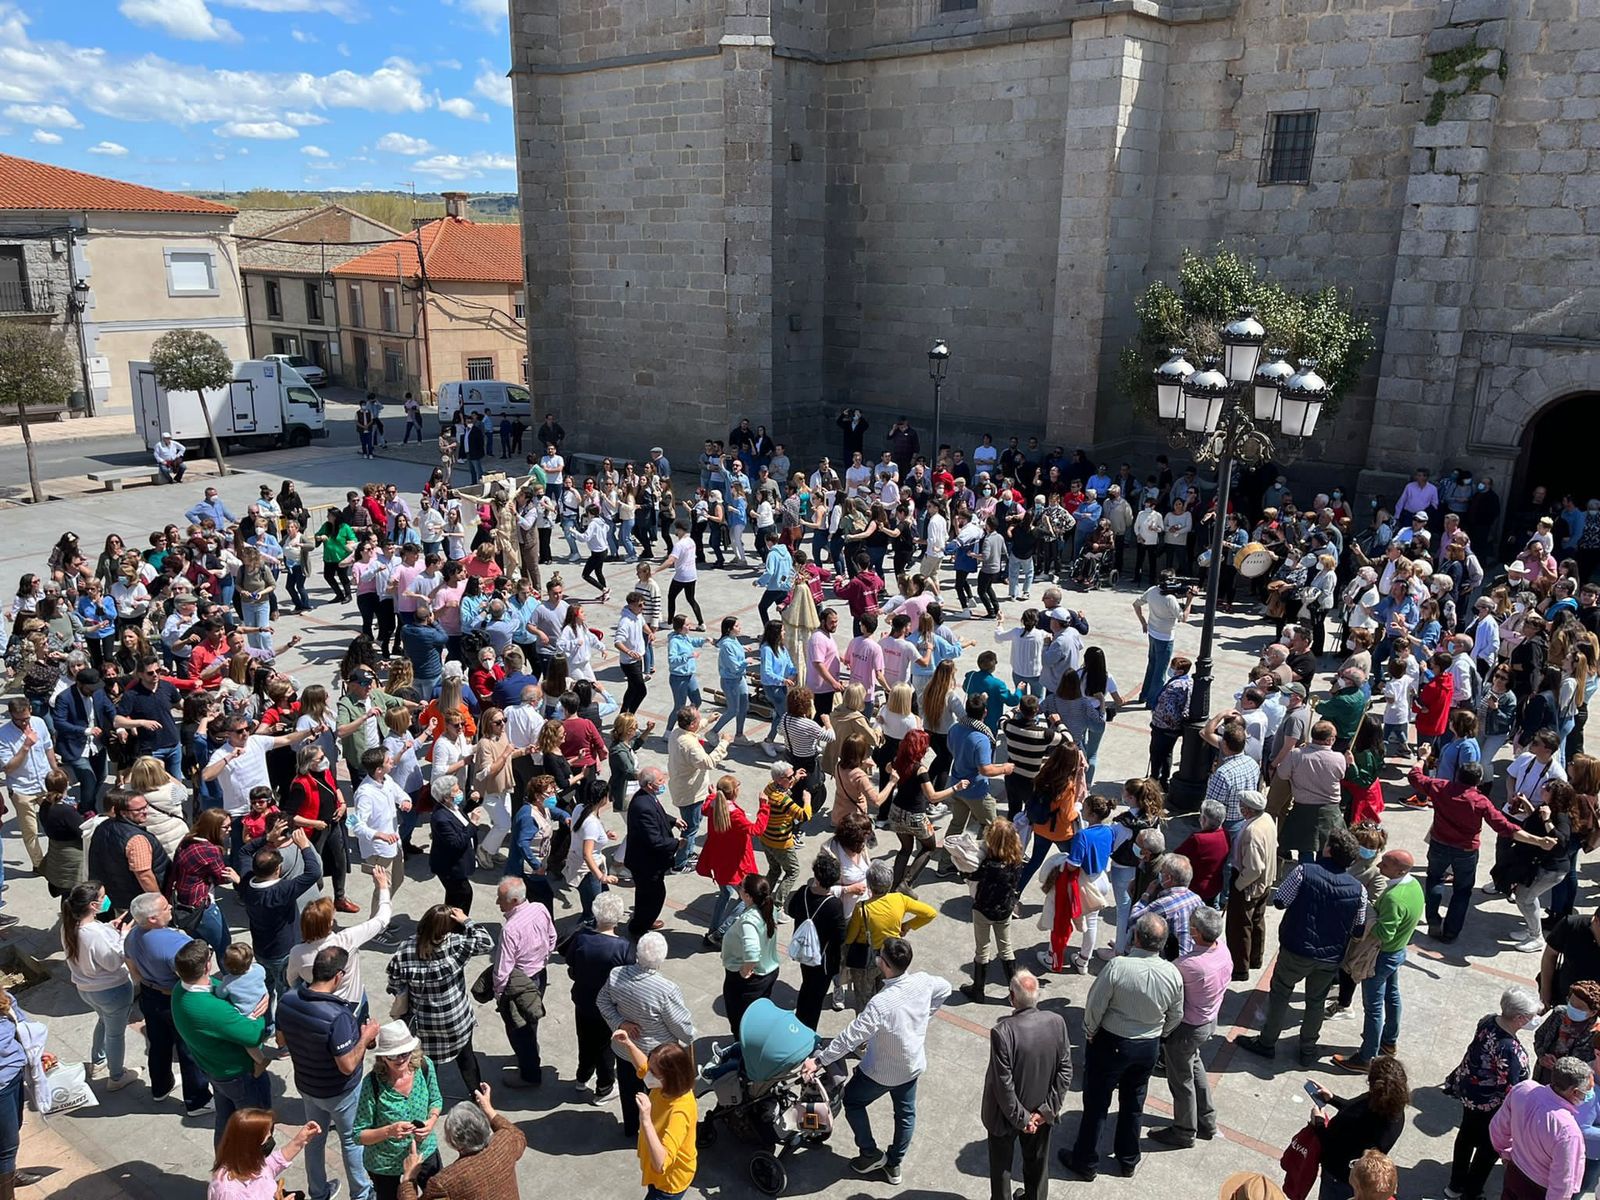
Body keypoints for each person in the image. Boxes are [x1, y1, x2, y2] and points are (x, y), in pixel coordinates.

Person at [803, 936, 950, 1187]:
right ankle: (894, 1164)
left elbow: (850, 1038)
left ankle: (870, 1153)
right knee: (905, 1114)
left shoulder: (880, 1004)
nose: (877, 958)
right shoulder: (923, 981)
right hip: (911, 1066)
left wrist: (819, 1060)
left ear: (886, 965)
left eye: (880, 955)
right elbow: (945, 987)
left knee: (853, 1100)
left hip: (880, 1071)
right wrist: (925, 1015)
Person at [1058, 912, 1184, 1181]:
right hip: (1147, 1046)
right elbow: (1176, 1014)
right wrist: (1159, 1035)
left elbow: (1095, 1005)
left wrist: (1090, 1033)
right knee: (1133, 1103)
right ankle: (1128, 1160)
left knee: (1097, 1103)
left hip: (1112, 1044)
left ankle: (1086, 1161)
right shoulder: (1172, 973)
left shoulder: (1118, 967)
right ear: (1162, 943)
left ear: (1136, 937)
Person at [1237, 827, 1367, 1067]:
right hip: (1330, 958)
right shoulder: (1359, 890)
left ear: (1328, 850)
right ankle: (1307, 1049)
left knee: (1280, 994)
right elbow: (1358, 928)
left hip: (1296, 949)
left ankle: (1267, 1043)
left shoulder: (1304, 872)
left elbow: (1280, 901)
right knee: (1316, 1001)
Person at [276, 945, 383, 1200]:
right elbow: (347, 1065)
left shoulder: (287, 1000)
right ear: (338, 976)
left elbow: (281, 1040)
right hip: (340, 1092)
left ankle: (318, 1192)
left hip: (307, 1086)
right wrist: (365, 1037)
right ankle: (361, 1193)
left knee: (313, 1137)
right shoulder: (338, 1015)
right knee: (352, 1141)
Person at [1413, 759, 1555, 943]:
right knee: (1462, 891)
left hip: (1439, 844)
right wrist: (1538, 841)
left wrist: (1422, 758)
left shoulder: (1440, 786)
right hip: (1466, 851)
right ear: (1478, 781)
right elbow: (1505, 827)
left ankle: (1432, 918)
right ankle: (1450, 932)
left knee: (1434, 880)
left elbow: (1414, 776)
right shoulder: (1480, 802)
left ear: (1458, 775)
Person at [385, 904, 495, 1094]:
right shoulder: (457, 944)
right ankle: (478, 1098)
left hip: (425, 1022)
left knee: (427, 1064)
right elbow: (487, 942)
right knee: (466, 1057)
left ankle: (427, 1104)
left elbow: (395, 985)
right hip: (457, 1018)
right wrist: (467, 920)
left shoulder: (406, 949)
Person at [982, 968, 1071, 1200]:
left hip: (1004, 1116)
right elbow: (1065, 1071)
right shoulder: (1057, 1022)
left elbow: (1004, 1083)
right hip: (1041, 1112)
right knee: (1038, 1165)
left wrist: (1022, 1119)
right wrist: (1044, 1112)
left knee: (1001, 1168)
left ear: (1012, 997)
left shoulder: (1002, 1032)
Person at [596, 931, 696, 1140]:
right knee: (658, 1097)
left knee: (629, 1090)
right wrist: (690, 1036)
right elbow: (680, 1025)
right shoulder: (666, 989)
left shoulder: (616, 974)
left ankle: (631, 1129)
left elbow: (602, 1001)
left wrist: (620, 1023)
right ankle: (653, 1133)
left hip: (626, 1051)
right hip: (656, 1057)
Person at [1445, 987, 1541, 1200]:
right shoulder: (1510, 1050)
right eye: (1531, 1016)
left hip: (1470, 1093)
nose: (1534, 1020)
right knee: (1488, 1149)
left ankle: (1455, 1184)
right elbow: (1515, 1089)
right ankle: (1472, 1192)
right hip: (1492, 1106)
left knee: (1466, 1135)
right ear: (1519, 1018)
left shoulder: (1488, 1020)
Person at [173, 940, 272, 1143]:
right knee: (257, 1129)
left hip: (215, 1070)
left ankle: (222, 1169)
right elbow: (253, 1035)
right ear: (208, 966)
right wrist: (260, 1009)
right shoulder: (211, 1009)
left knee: (225, 1123)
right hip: (239, 1075)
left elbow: (219, 987)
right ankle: (255, 1170)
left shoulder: (180, 990)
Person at [124, 892, 214, 1114]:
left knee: (159, 1044)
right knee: (189, 1048)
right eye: (165, 908)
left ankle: (160, 1087)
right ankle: (197, 1100)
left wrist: (149, 983)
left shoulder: (132, 936)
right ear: (152, 919)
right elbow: (190, 977)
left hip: (150, 996)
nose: (171, 909)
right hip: (174, 999)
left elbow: (131, 966)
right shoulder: (176, 943)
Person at [1333, 851, 1423, 1072]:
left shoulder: (1393, 898)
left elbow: (1385, 933)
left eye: (1386, 864)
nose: (1380, 866)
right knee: (1392, 997)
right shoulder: (1414, 886)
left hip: (1381, 956)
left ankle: (1366, 1057)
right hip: (1398, 952)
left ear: (1400, 870)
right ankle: (1389, 1041)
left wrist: (1370, 913)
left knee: (1373, 1007)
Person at [1151, 906, 1232, 1148]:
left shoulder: (1187, 964)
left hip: (1186, 1029)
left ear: (1195, 933)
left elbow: (1164, 987)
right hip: (1208, 1022)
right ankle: (1207, 1121)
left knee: (1180, 1080)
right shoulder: (1223, 951)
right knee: (1195, 1066)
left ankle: (1184, 1131)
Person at [60, 881, 141, 1095]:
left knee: (103, 1021)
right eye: (103, 896)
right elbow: (113, 961)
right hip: (112, 990)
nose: (107, 899)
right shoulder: (93, 933)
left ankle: (98, 1060)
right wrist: (123, 935)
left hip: (87, 990)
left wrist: (108, 928)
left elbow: (94, 942)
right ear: (94, 906)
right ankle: (117, 1076)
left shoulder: (70, 926)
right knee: (115, 1034)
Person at [396, 1083, 525, 1200]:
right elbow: (516, 1134)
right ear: (485, 1126)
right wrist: (488, 1108)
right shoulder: (505, 1144)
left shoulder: (445, 1182)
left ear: (452, 1142)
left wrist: (409, 1178)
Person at [612, 1030, 698, 1200]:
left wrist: (645, 1120)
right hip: (658, 1177)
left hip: (668, 1184)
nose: (648, 1074)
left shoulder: (679, 1112)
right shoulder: (665, 1086)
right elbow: (643, 1067)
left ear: (670, 1077)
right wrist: (629, 1044)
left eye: (654, 1072)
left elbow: (661, 1164)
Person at [1309, 1057, 1411, 1200]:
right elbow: (1354, 1108)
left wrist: (1318, 1123)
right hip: (1356, 1179)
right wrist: (1332, 1099)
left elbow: (1332, 1146)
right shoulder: (1395, 1112)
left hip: (1338, 1176)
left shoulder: (1359, 1118)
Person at [566, 892, 634, 1104]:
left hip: (583, 1001)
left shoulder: (581, 938)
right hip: (609, 1008)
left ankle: (582, 1077)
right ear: (619, 917)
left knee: (585, 1040)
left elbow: (571, 966)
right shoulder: (624, 947)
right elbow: (629, 981)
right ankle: (604, 1088)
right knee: (605, 1046)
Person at [1491, 1057, 1591, 1200]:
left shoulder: (1523, 1089)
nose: (1588, 1095)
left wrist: (1506, 1155)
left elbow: (1498, 1128)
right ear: (1574, 1092)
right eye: (1587, 1091)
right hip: (1538, 1190)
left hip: (1514, 1172)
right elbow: (1562, 1183)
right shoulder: (1568, 1131)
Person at [492, 877, 557, 1091]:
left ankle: (529, 1074)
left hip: (519, 984)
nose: (496, 903)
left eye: (501, 899)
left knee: (518, 1028)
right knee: (531, 1021)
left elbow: (503, 967)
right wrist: (542, 958)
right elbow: (552, 937)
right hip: (539, 975)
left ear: (513, 901)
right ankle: (529, 1053)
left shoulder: (510, 930)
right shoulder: (540, 908)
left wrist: (500, 995)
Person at [962, 818, 1025, 1001]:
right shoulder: (1017, 862)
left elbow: (969, 874)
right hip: (1005, 909)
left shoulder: (988, 865)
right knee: (1006, 948)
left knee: (982, 949)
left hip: (983, 909)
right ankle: (1015, 994)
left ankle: (978, 990)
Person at [788, 852, 847, 1030]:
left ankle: (797, 1024)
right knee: (815, 999)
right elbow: (840, 936)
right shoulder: (834, 905)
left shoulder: (803, 892)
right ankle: (805, 1033)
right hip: (824, 961)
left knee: (806, 988)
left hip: (804, 953)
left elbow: (791, 910)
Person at [207, 1109, 320, 1200]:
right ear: (251, 1147)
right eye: (267, 1138)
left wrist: (299, 1141)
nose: (270, 1140)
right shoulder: (228, 1193)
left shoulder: (248, 1163)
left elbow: (271, 1165)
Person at [1226, 789, 1278, 980]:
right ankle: (1255, 958)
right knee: (1257, 921)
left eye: (1241, 806)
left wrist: (1239, 885)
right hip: (1265, 883)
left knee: (1240, 927)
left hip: (1248, 886)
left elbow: (1254, 868)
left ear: (1247, 810)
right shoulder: (1267, 819)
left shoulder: (1251, 832)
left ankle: (1240, 969)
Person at [625, 767, 682, 939]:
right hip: (645, 863)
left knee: (645, 895)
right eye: (660, 781)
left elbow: (659, 815)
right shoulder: (643, 806)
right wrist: (677, 844)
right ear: (650, 785)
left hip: (646, 861)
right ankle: (639, 928)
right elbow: (654, 840)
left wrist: (673, 821)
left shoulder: (648, 798)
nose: (663, 782)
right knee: (653, 896)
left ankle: (644, 920)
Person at [720, 873, 781, 1036]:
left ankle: (742, 1051)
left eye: (741, 886)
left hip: (750, 979)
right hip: (769, 970)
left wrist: (744, 971)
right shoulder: (769, 907)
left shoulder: (749, 920)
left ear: (747, 896)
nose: (738, 887)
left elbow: (752, 952)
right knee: (759, 1014)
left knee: (741, 1020)